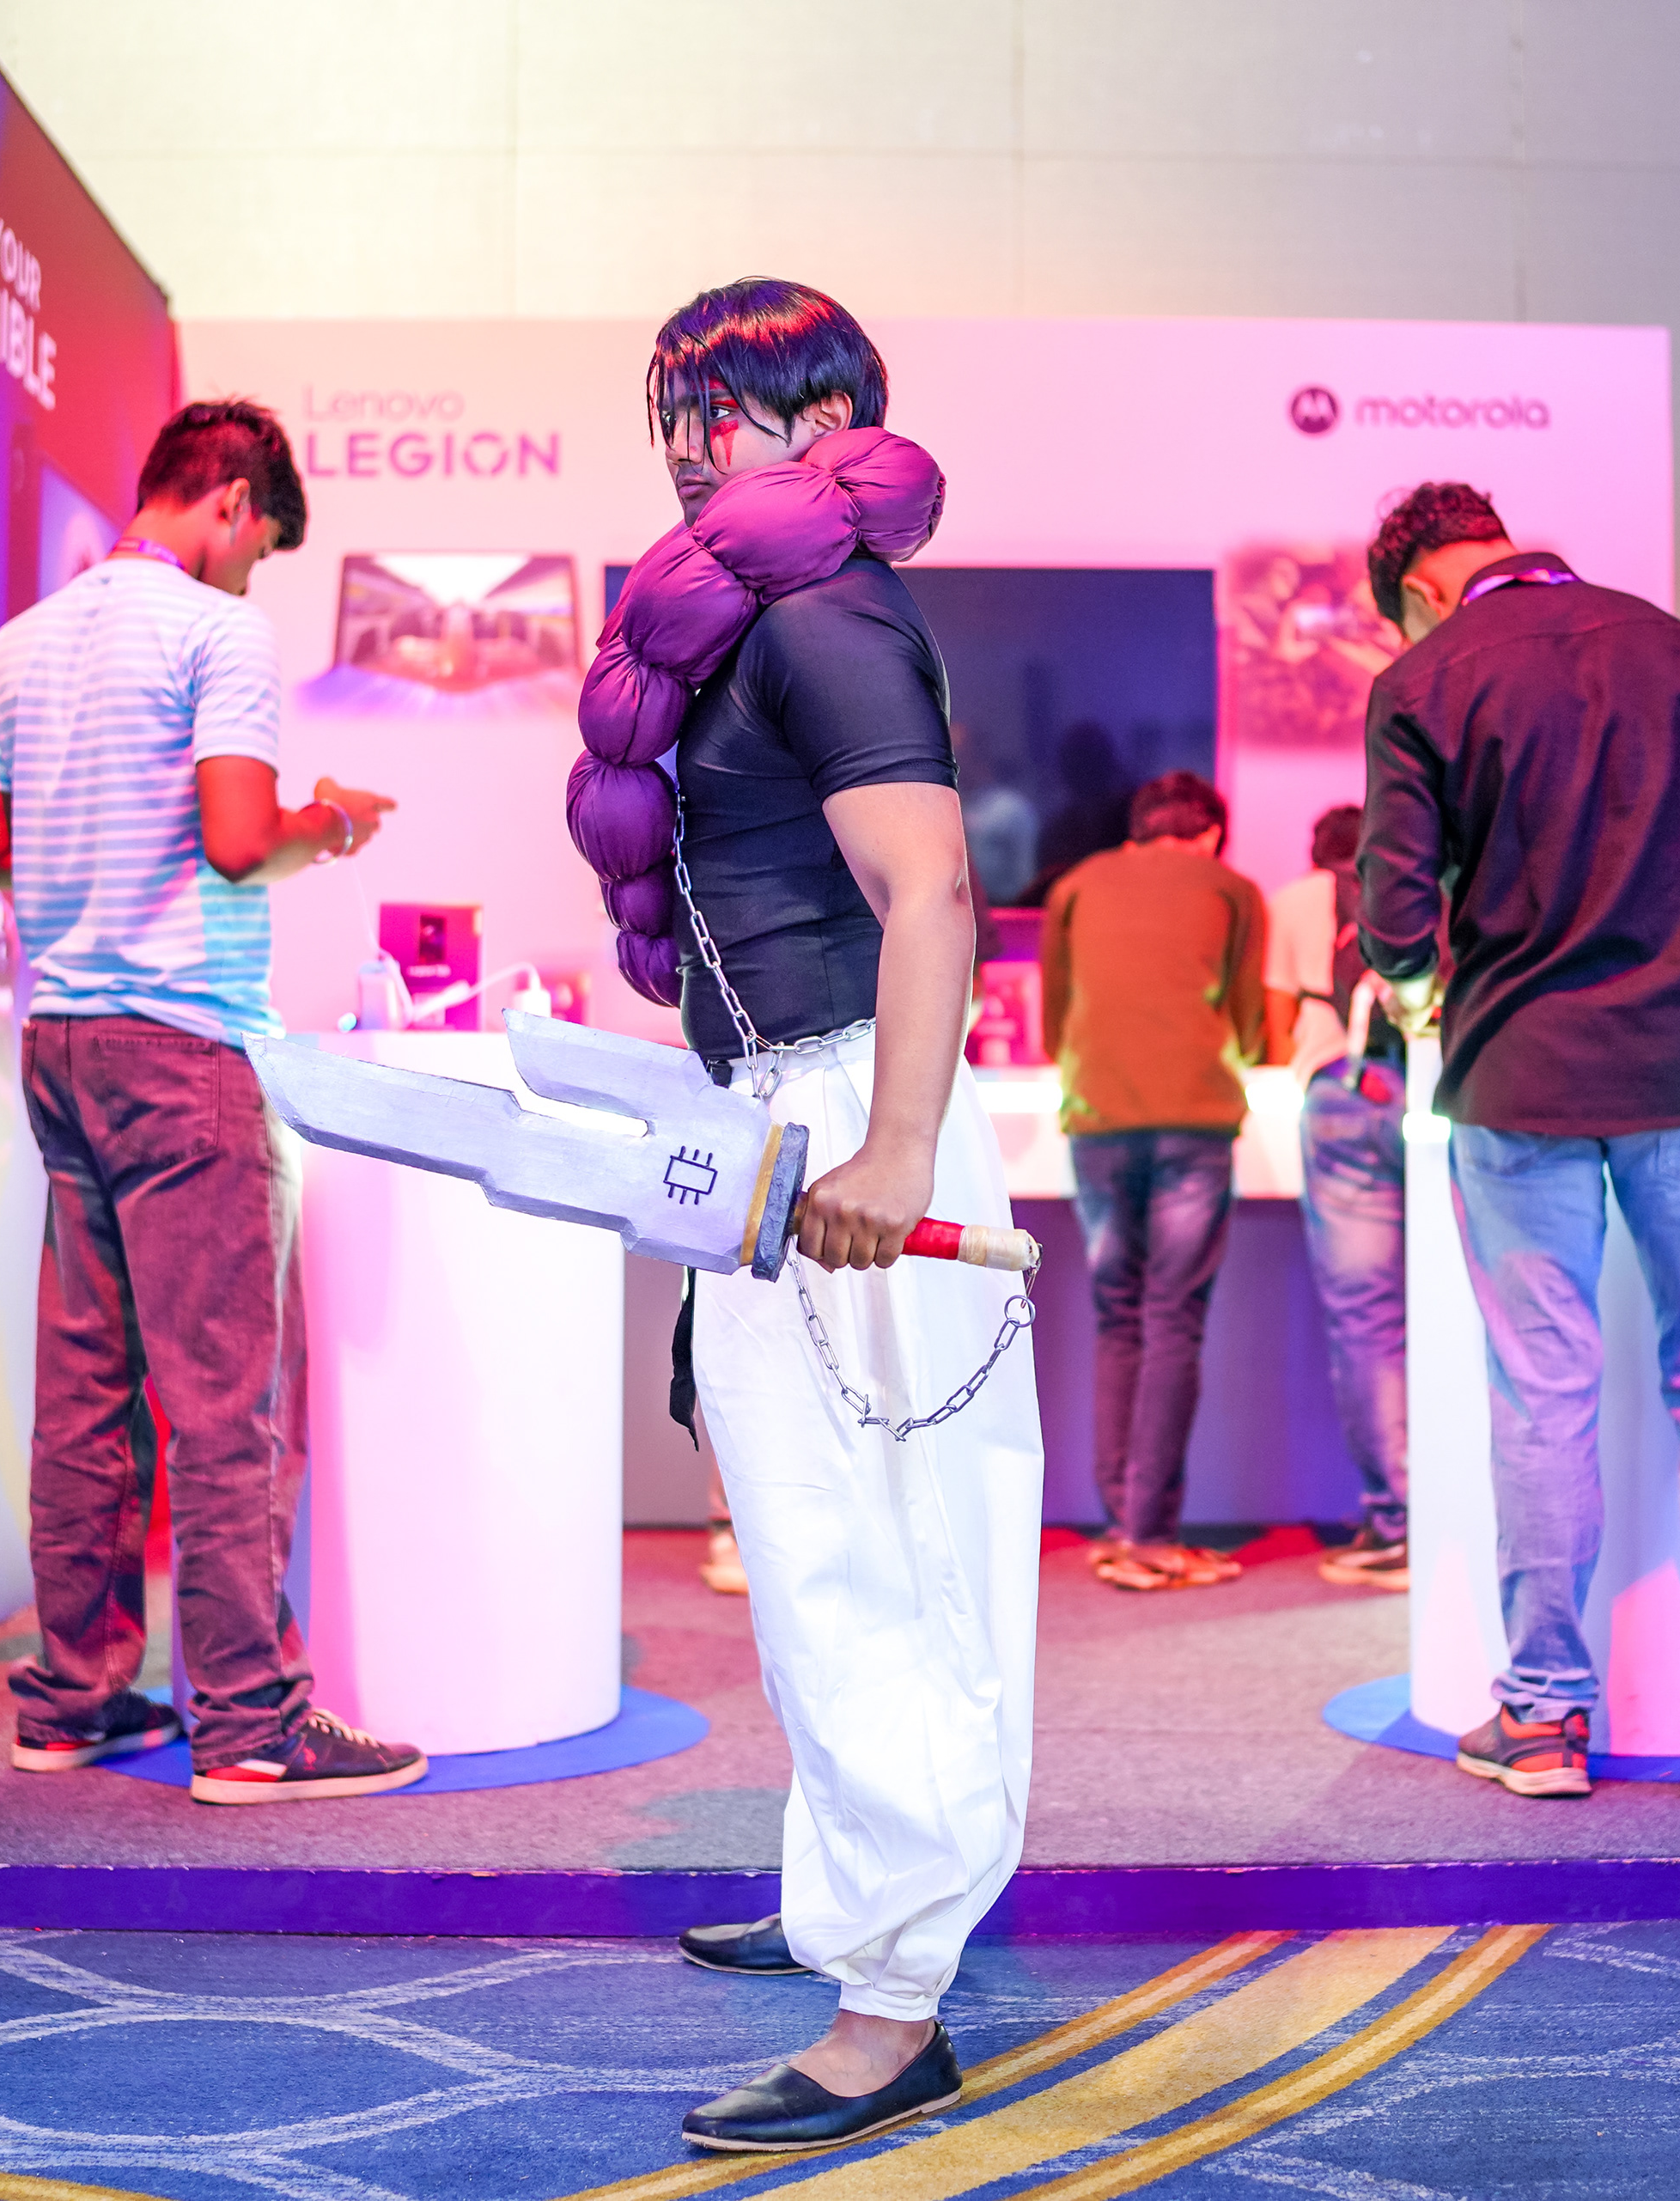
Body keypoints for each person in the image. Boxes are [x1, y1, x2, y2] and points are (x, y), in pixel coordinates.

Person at [580, 280, 1039, 2156]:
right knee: (805, 1541)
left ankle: (893, 2003)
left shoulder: (826, 610)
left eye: (735, 408)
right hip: (785, 1111)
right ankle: (847, 1886)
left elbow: (931, 890)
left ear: (832, 417)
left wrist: (898, 1148)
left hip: (853, 1113)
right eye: (677, 408)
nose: (695, 443)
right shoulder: (749, 612)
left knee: (883, 1559)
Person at [0, 399, 415, 1804]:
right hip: (186, 1043)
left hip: (62, 1043)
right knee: (227, 1402)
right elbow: (236, 841)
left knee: (86, 1391)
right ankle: (254, 1723)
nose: (250, 571)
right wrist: (331, 821)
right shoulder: (220, 636)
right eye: (258, 547)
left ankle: (74, 1696)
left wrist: (93, 836)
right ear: (229, 501)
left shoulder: (21, 642)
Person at [1359, 481, 1680, 1804]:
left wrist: (1428, 979)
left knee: (1543, 1396)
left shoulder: (1420, 682)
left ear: (1425, 589)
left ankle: (1539, 1718)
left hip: (1512, 1083)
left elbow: (1394, 928)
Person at [1040, 770, 1267, 1592]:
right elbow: (1250, 1026)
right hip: (1194, 1123)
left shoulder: (1074, 886)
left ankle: (1119, 1524)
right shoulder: (1234, 890)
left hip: (1097, 1119)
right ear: (1211, 833)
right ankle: (1152, 1537)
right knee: (1173, 1320)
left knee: (1119, 1316)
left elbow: (1054, 1027)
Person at [1264, 802, 1412, 1589]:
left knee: (1367, 1322)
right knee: (1473, 1306)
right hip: (1434, 1097)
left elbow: (1273, 1019)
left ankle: (1397, 1524)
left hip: (1340, 1099)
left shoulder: (1293, 901)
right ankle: (1465, 1515)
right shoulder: (1427, 887)